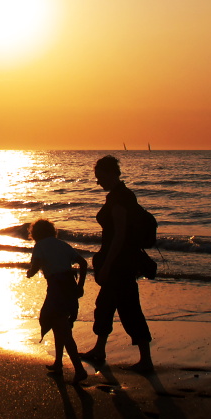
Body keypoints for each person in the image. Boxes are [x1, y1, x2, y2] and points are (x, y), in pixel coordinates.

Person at [81, 155, 154, 373]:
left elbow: (119, 236)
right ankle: (99, 350)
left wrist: (107, 265)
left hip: (121, 264)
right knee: (104, 306)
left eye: (100, 177)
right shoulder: (118, 196)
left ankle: (146, 361)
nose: (98, 182)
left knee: (130, 309)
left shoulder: (121, 198)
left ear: (111, 174)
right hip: (119, 261)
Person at [27, 219, 88, 384]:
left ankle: (79, 370)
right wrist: (80, 286)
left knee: (61, 327)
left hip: (57, 288)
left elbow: (35, 265)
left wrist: (30, 273)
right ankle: (58, 363)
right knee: (58, 324)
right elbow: (83, 263)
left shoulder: (39, 246)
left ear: (35, 233)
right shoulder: (62, 244)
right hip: (70, 286)